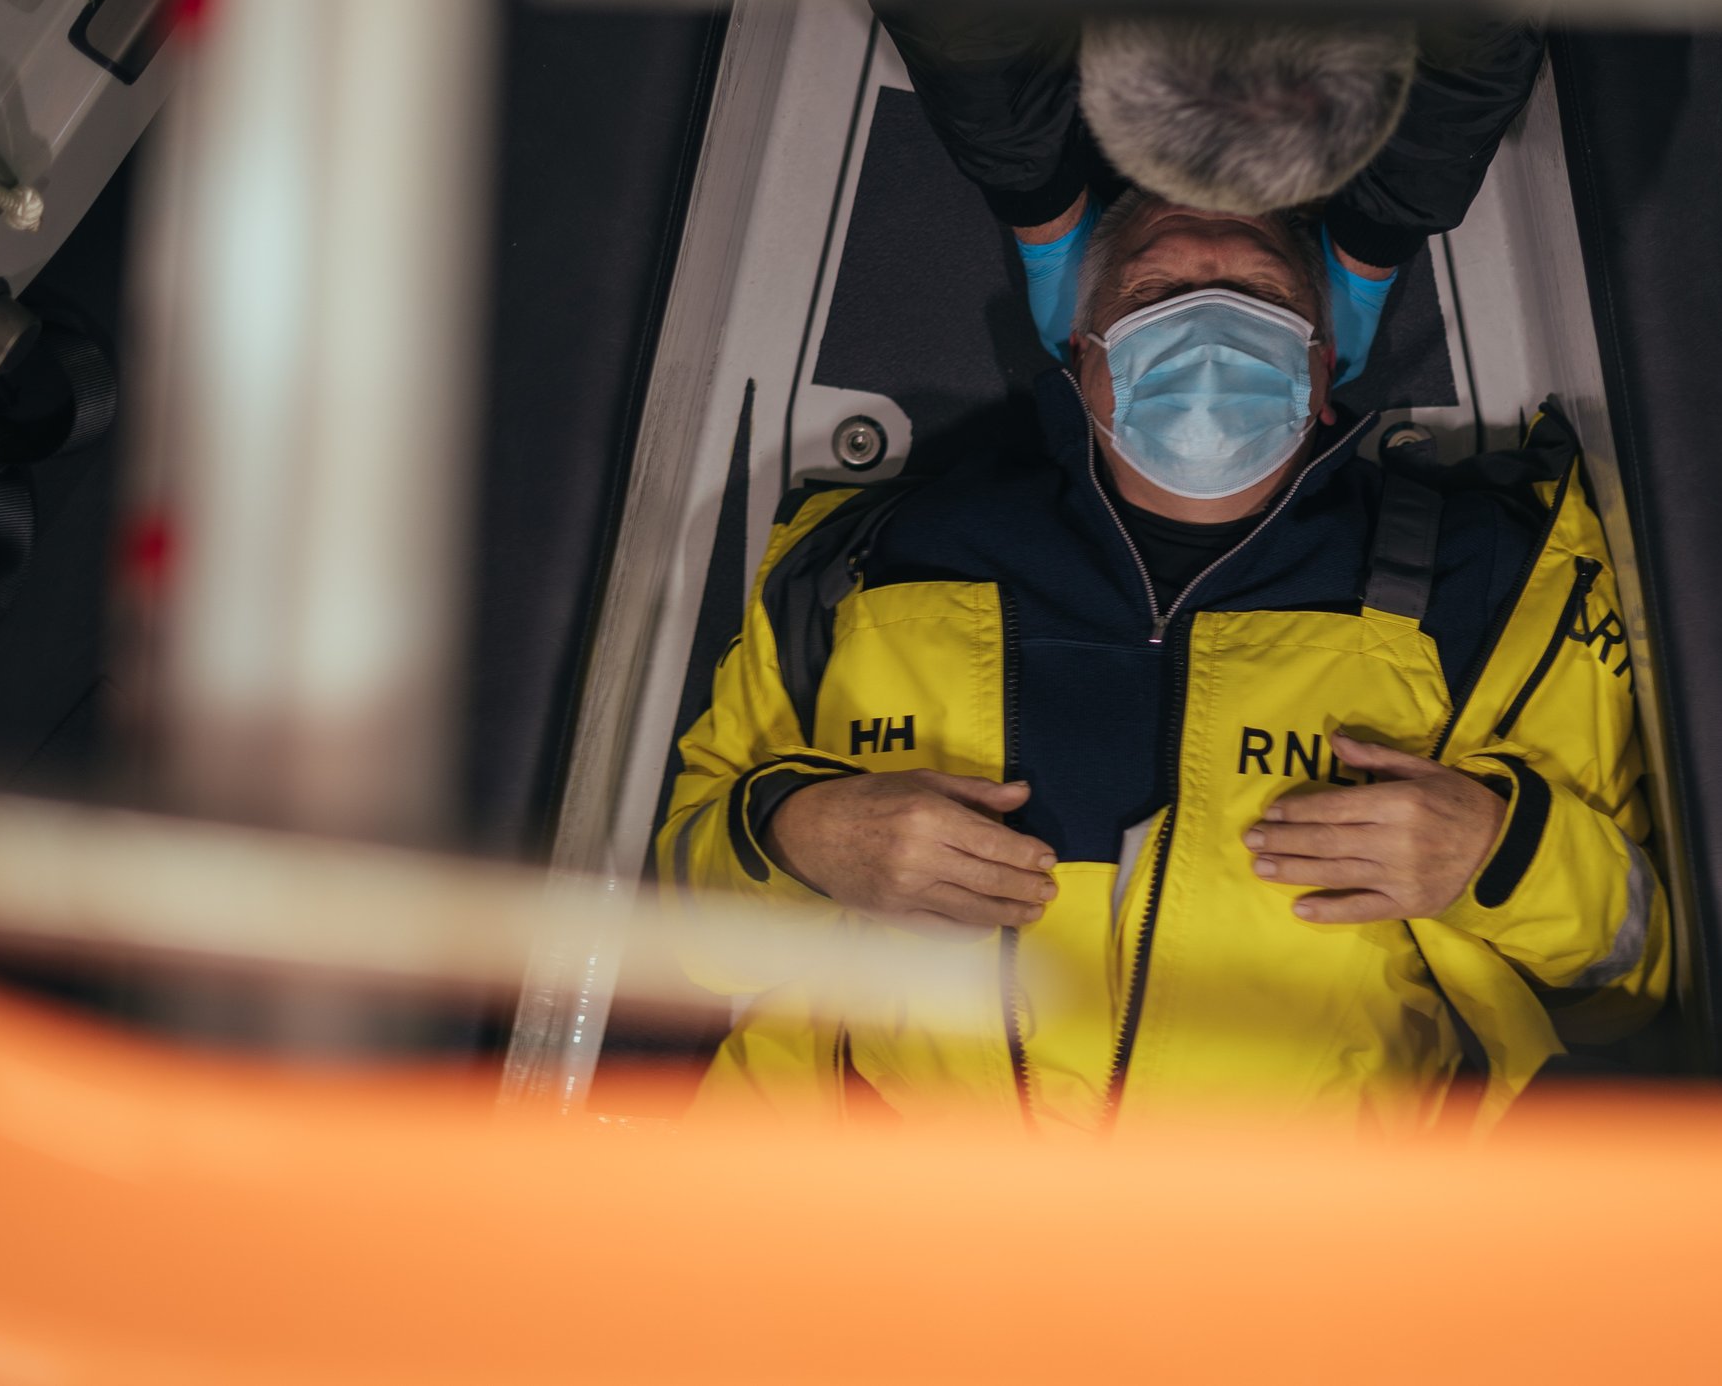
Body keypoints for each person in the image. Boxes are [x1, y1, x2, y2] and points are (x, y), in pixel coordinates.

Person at [659, 193, 1666, 1134]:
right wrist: (797, 835)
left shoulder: (1495, 580)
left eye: (1261, 293)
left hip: (1327, 1273)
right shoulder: (864, 560)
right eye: (1157, 292)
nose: (1211, 328)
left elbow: (1640, 969)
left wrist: (1498, 851)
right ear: (1085, 357)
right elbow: (682, 925)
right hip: (868, 1243)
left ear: (1321, 371)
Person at [876, 7, 1546, 385]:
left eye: (1159, 299)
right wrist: (1377, 235)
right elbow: (1486, 12)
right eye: (1257, 301)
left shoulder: (1026, 135)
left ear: (1082, 338)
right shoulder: (1404, 175)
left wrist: (1036, 200)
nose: (1204, 247)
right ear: (1324, 344)